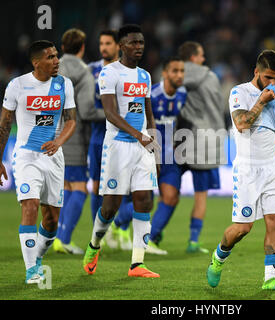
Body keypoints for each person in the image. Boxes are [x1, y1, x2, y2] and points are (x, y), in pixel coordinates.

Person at [207, 49, 275, 291]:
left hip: (272, 167)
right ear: (256, 72)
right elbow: (242, 124)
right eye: (268, 77)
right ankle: (218, 258)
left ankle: (270, 278)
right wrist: (261, 101)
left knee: (274, 221)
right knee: (243, 228)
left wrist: (267, 98)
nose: (273, 83)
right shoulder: (239, 92)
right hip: (247, 170)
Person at [82, 24, 161, 278]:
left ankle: (137, 264)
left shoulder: (145, 76)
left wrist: (153, 140)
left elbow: (148, 110)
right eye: (133, 43)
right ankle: (94, 245)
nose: (139, 47)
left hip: (142, 147)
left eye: (141, 42)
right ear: (121, 46)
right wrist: (139, 135)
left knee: (144, 200)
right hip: (117, 146)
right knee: (110, 207)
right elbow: (110, 113)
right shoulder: (109, 73)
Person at [0, 40, 76, 283]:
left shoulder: (64, 84)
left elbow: (71, 120)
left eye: (57, 56)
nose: (56, 61)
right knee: (30, 205)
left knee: (51, 220)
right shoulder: (17, 85)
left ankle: (38, 256)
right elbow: (4, 124)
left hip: (53, 158)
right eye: (51, 57)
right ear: (36, 62)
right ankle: (31, 270)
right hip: (26, 155)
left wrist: (59, 141)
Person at [108, 56, 187, 255]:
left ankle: (150, 239)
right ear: (165, 73)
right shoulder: (151, 93)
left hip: (170, 156)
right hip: (148, 152)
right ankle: (116, 223)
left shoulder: (183, 95)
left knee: (171, 197)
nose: (179, 75)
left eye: (182, 71)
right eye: (175, 71)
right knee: (144, 201)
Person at [53, 29, 106, 254]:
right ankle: (63, 239)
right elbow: (86, 110)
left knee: (64, 188)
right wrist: (112, 114)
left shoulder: (53, 66)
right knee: (80, 189)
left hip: (49, 132)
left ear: (63, 48)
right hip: (72, 136)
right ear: (83, 48)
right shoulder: (83, 72)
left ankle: (56, 237)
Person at [175, 41, 226, 253]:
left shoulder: (174, 76)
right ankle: (193, 241)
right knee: (201, 194)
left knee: (164, 191)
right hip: (207, 139)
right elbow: (219, 107)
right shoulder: (211, 77)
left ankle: (134, 229)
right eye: (201, 55)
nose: (204, 59)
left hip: (178, 138)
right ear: (194, 56)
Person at [87, 30, 134, 251]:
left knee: (124, 188)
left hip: (123, 137)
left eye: (108, 43)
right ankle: (98, 233)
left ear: (118, 46)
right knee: (97, 186)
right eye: (101, 43)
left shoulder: (129, 71)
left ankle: (119, 227)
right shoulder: (91, 71)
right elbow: (86, 106)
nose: (103, 47)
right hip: (97, 136)